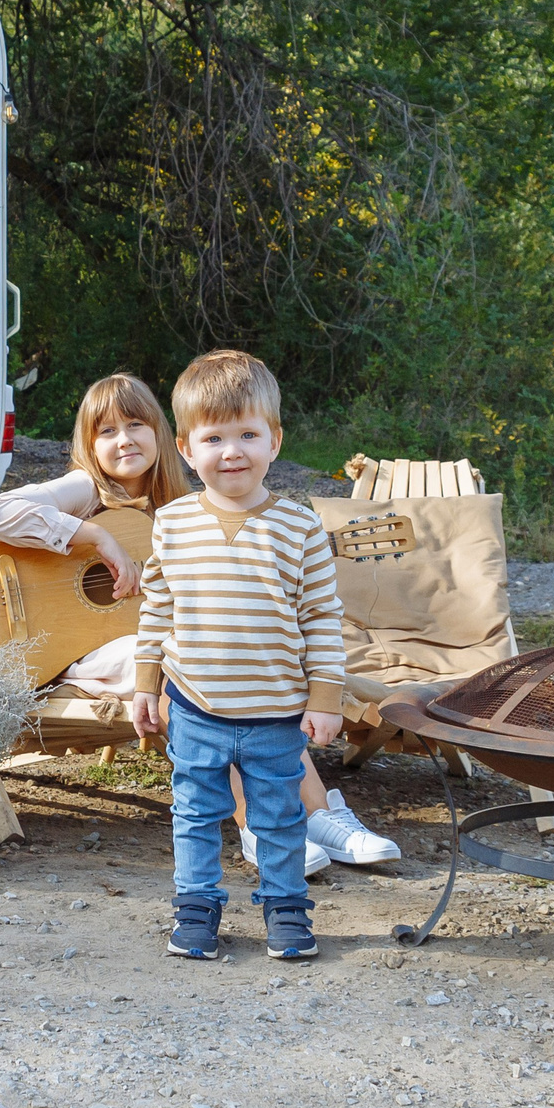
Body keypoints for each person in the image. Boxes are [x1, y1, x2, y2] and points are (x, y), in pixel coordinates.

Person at [0, 372, 396, 881]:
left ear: (162, 434)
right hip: (81, 650)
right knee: (198, 664)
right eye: (105, 431)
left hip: (152, 643)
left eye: (135, 424)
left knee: (245, 665)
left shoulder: (183, 503)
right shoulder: (86, 487)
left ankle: (323, 817)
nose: (124, 440)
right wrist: (95, 538)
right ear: (88, 444)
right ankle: (256, 826)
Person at [131, 351, 354, 961]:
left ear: (275, 441)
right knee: (195, 814)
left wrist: (326, 697)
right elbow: (157, 608)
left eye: (248, 435)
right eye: (214, 437)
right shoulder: (172, 523)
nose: (233, 451)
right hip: (195, 705)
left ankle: (286, 910)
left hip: (276, 712)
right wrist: (145, 684)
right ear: (185, 447)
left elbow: (321, 617)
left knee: (279, 820)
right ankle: (197, 909)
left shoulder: (298, 527)